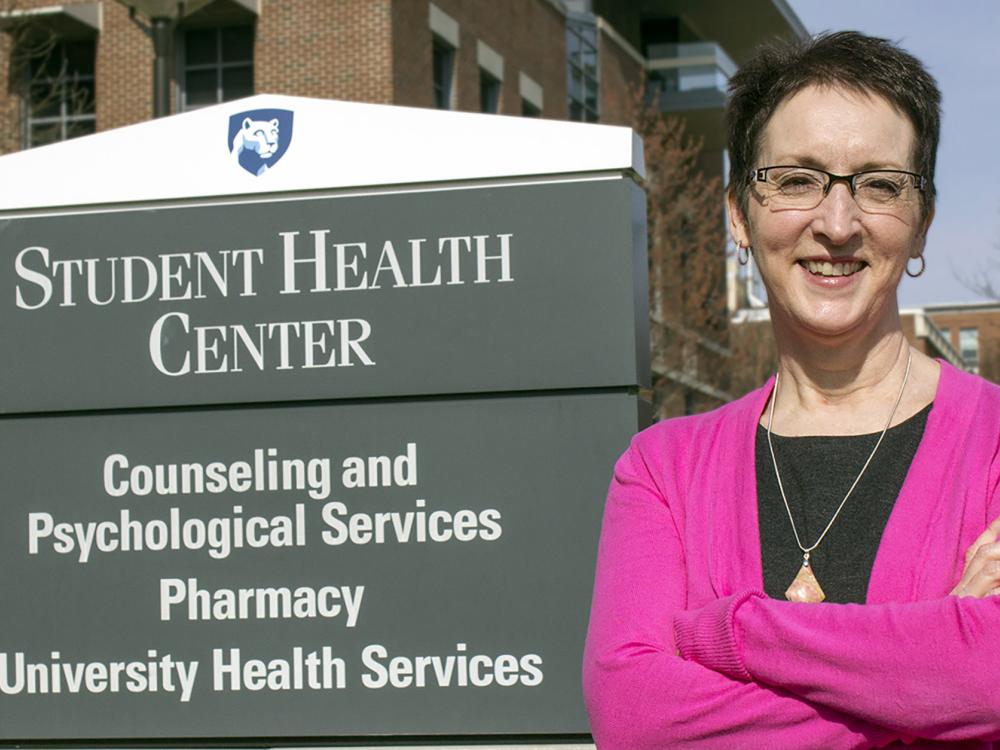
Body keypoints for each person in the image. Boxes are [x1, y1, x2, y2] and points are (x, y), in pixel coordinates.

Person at [583, 31, 1000, 749]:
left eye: (880, 184)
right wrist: (921, 695)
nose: (837, 224)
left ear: (922, 221)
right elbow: (633, 715)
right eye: (798, 179)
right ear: (740, 215)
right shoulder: (662, 471)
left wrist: (729, 630)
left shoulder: (992, 444)